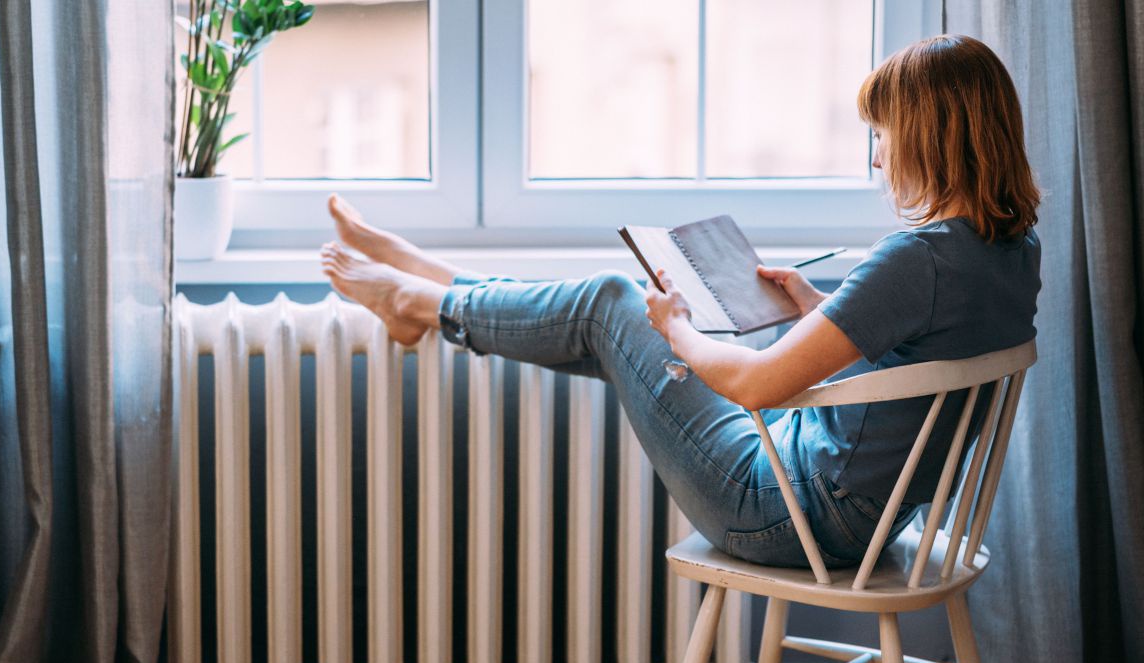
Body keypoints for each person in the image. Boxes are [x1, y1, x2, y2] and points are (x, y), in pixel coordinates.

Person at [319, 34, 1041, 569]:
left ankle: (428, 300)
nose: (878, 156)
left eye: (882, 135)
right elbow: (927, 351)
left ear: (928, 137)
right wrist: (814, 304)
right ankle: (436, 289)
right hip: (858, 509)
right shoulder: (1009, 252)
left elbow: (760, 386)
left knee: (612, 303)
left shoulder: (916, 259)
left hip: (791, 516)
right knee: (605, 324)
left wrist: (680, 329)